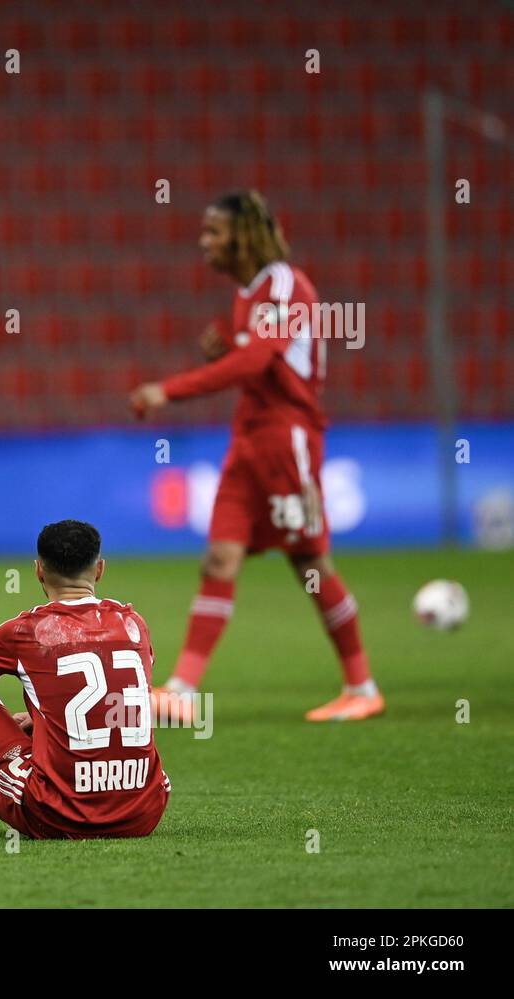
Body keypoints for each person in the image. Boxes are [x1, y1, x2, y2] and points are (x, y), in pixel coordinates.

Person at [129, 190, 382, 722]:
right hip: (248, 437)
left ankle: (361, 687)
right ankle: (182, 689)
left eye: (212, 232)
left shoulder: (283, 283)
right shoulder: (251, 292)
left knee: (310, 561)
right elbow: (259, 356)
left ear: (243, 235)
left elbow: (258, 361)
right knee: (219, 559)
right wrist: (232, 343)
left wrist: (168, 390)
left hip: (287, 439)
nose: (204, 243)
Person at [0, 520, 170, 840]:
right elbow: (114, 700)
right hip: (143, 811)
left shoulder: (27, 630)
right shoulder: (133, 623)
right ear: (99, 569)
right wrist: (45, 720)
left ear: (39, 570)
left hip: (55, 815)